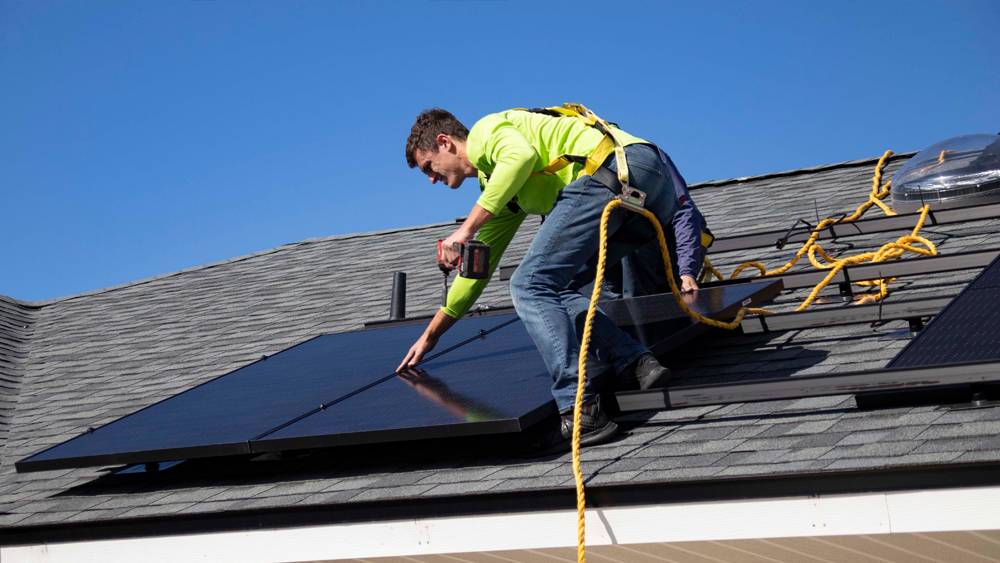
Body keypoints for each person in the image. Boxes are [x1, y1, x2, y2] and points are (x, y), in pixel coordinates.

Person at [397, 107, 682, 452]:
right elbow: (477, 272)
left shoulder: (487, 132)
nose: (430, 179)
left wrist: (465, 229)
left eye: (429, 167)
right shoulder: (499, 190)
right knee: (554, 288)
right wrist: (430, 336)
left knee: (528, 284)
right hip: (649, 191)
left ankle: (581, 409)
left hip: (614, 170)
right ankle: (635, 361)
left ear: (445, 143)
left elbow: (519, 157)